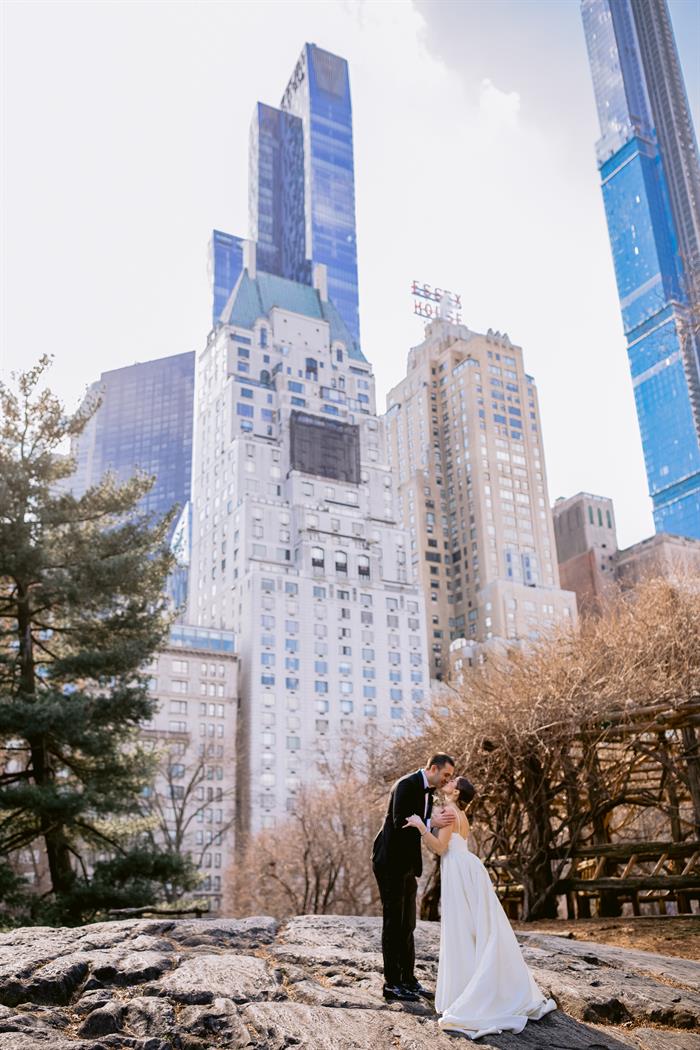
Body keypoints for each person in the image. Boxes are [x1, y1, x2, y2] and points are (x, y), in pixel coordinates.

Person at [404, 775, 556, 1039]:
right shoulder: (460, 813)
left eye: (453, 782)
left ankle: (468, 991)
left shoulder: (450, 811)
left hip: (459, 870)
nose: (448, 782)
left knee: (462, 927)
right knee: (473, 927)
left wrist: (420, 826)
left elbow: (439, 847)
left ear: (457, 792)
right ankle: (471, 983)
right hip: (466, 867)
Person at [372, 753, 457, 1002]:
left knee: (408, 923)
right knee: (393, 923)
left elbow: (419, 826)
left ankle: (408, 980)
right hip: (390, 862)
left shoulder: (428, 791)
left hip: (408, 864)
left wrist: (430, 822)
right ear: (433, 768)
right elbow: (400, 822)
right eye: (446, 774)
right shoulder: (406, 785)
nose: (447, 779)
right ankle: (392, 983)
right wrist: (431, 821)